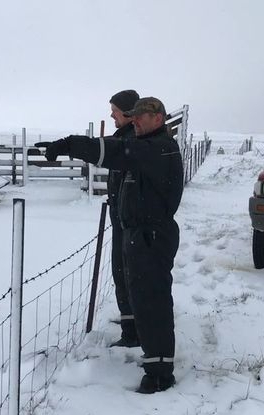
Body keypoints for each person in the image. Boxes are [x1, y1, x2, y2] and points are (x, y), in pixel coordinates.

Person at [36, 97, 183, 394]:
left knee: (153, 302)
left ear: (159, 118)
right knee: (143, 299)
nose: (137, 121)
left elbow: (115, 151)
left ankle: (160, 373)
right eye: (134, 116)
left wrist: (68, 144)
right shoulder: (149, 146)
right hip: (140, 235)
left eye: (142, 116)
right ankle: (153, 359)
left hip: (151, 237)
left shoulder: (158, 149)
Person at [106, 89, 140, 348]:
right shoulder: (128, 137)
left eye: (115, 111)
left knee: (125, 272)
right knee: (124, 272)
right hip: (123, 217)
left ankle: (132, 332)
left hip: (127, 220)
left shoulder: (131, 141)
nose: (111, 115)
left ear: (128, 113)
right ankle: (131, 323)